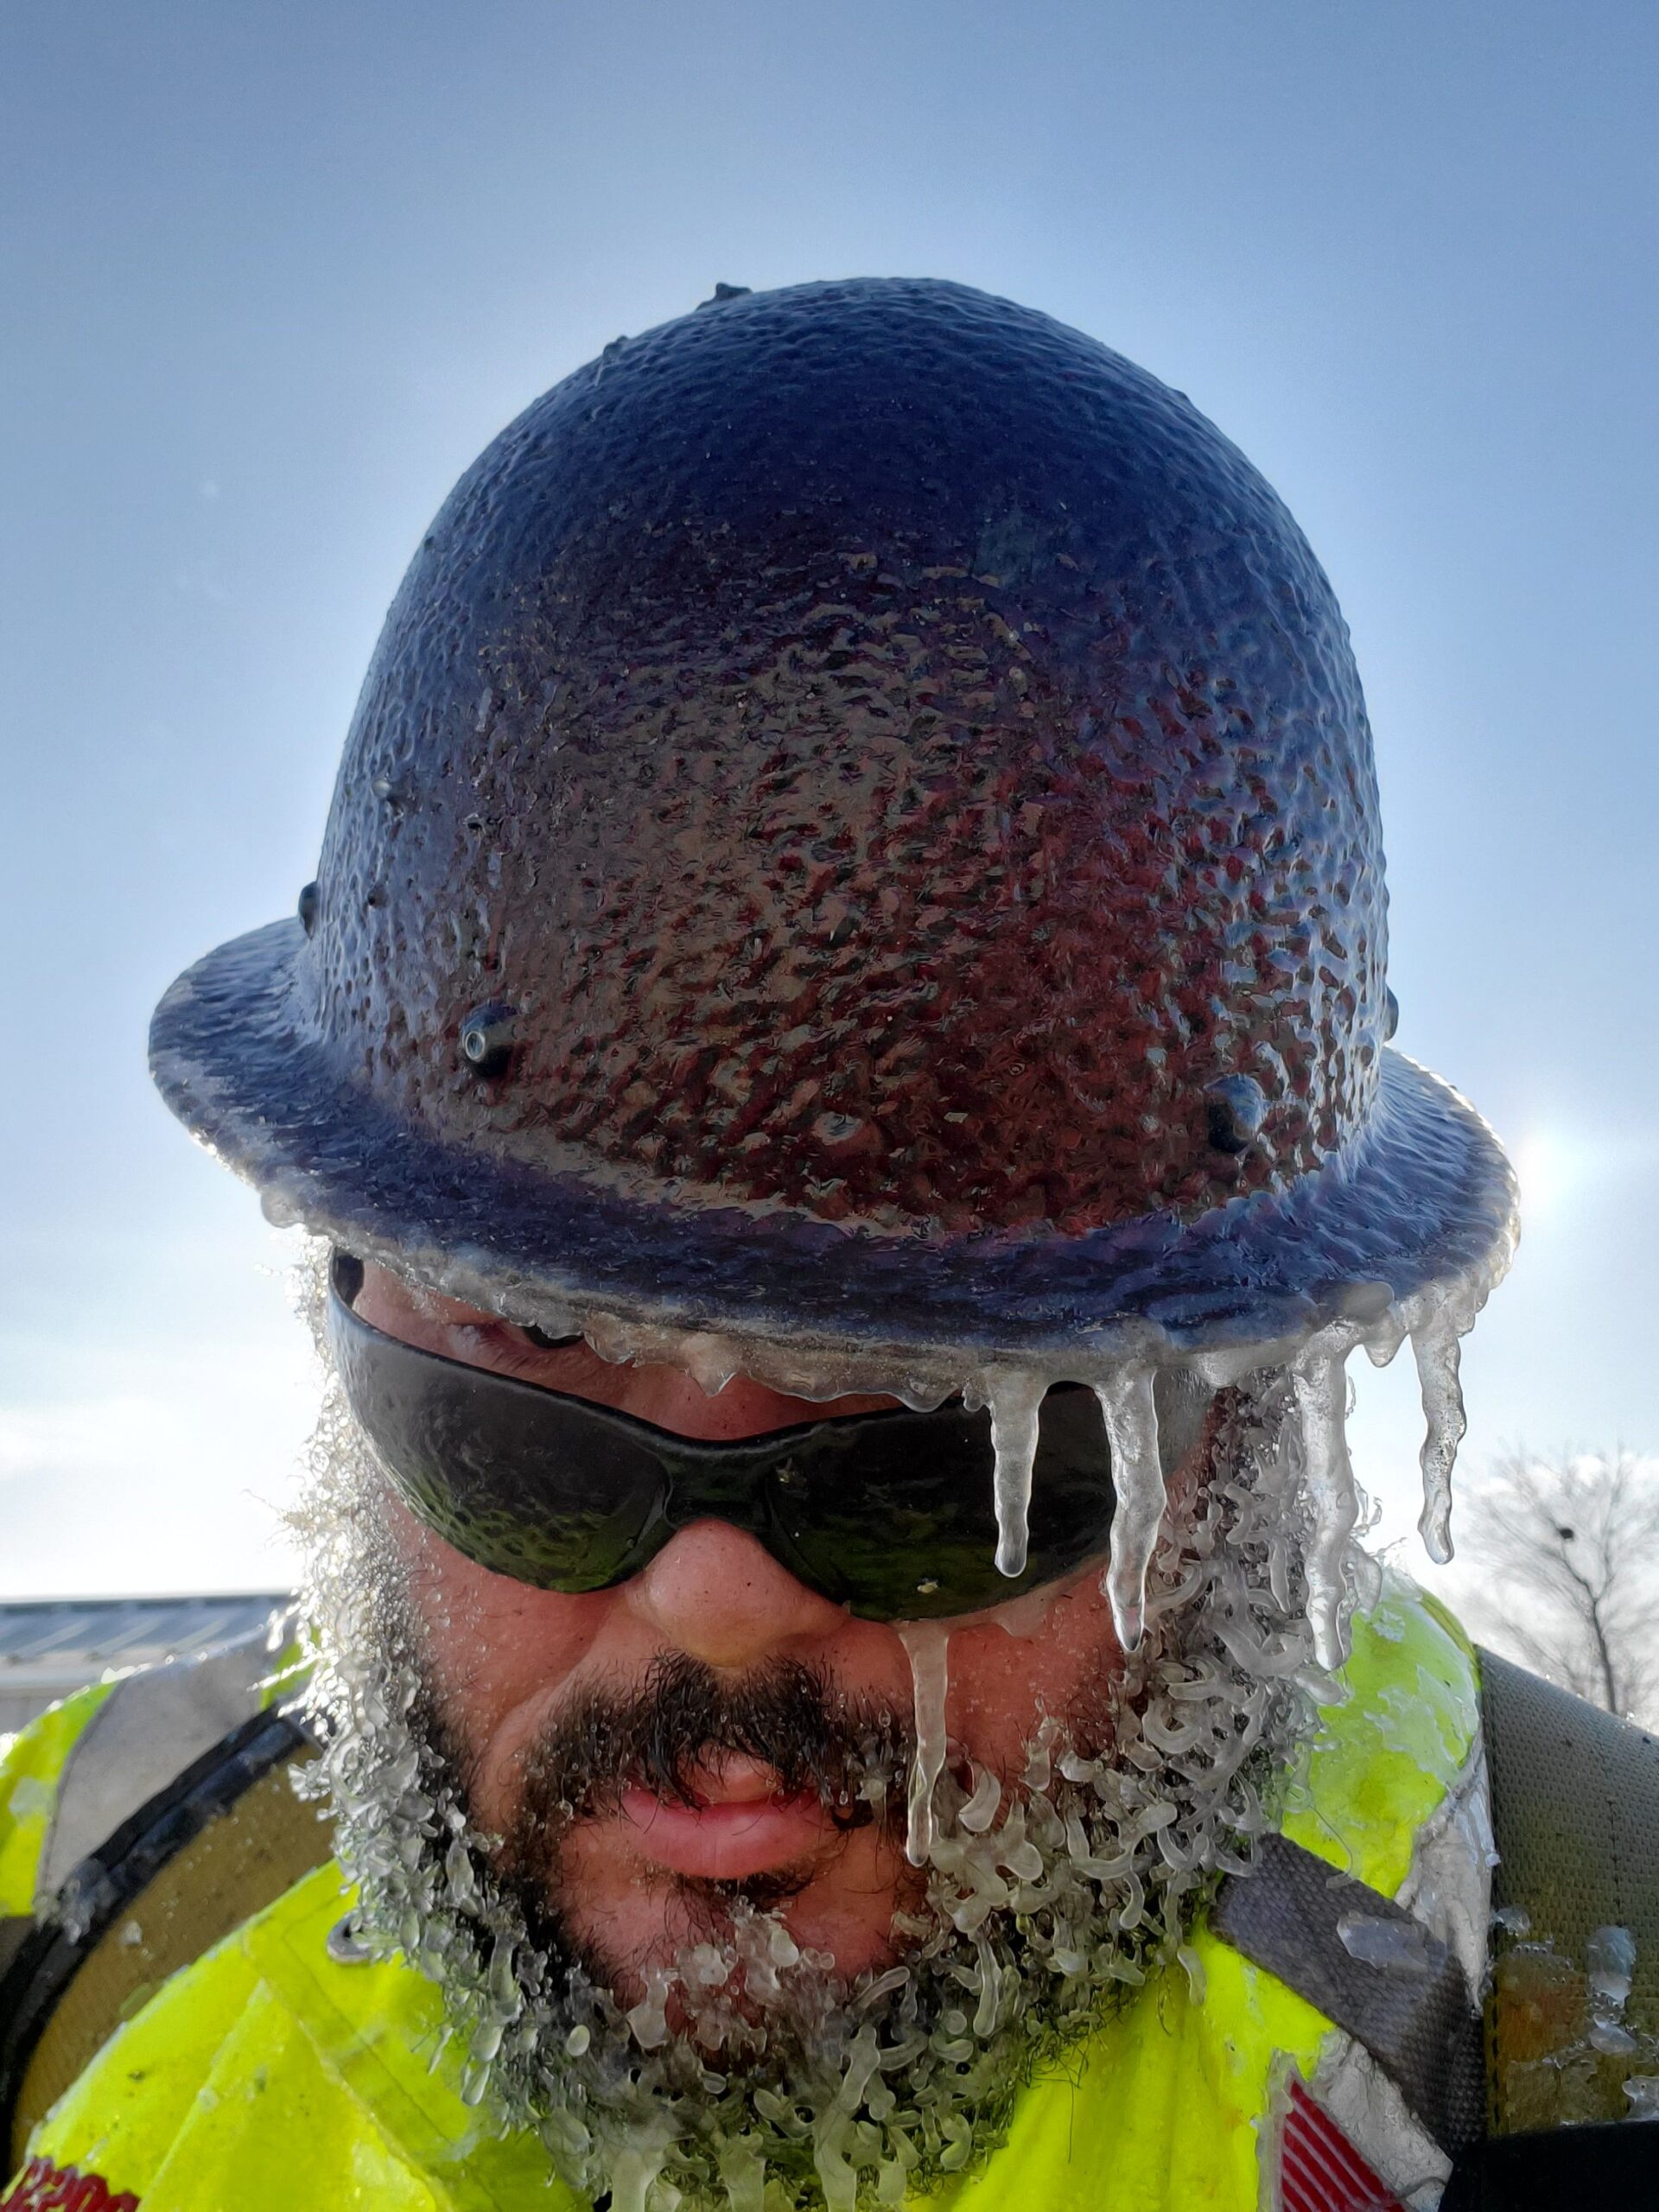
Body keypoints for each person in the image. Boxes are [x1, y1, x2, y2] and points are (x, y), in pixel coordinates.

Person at [1, 278, 1654, 2212]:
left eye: (949, 1441)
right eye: (523, 1382)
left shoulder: (1576, 2006)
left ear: (1245, 1448)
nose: (715, 1601)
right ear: (346, 1306)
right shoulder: (79, 1900)